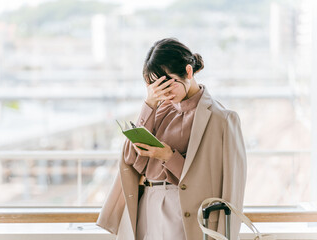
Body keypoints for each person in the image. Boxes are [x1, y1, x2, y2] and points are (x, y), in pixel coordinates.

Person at [97, 38, 247, 240]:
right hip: (147, 206)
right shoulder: (159, 110)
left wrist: (168, 156)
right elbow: (132, 160)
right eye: (156, 86)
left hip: (184, 211)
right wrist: (149, 104)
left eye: (167, 84)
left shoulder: (222, 119)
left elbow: (228, 187)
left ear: (188, 72)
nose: (164, 93)